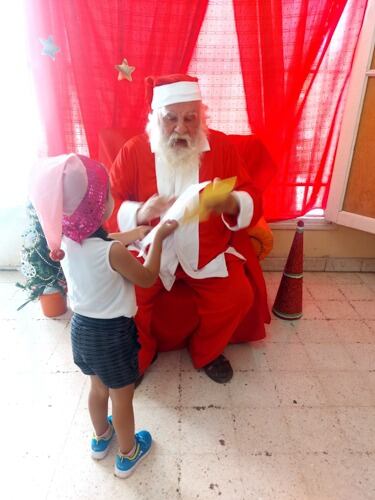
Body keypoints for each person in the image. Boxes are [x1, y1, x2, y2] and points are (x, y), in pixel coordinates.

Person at [108, 74, 270, 384]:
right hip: (149, 252)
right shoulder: (134, 151)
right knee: (127, 295)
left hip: (206, 250)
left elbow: (252, 194)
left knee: (237, 295)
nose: (181, 128)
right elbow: (109, 203)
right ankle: (142, 352)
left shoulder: (220, 147)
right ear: (157, 118)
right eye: (171, 119)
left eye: (190, 118)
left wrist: (232, 203)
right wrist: (140, 212)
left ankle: (207, 352)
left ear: (201, 117)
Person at [28, 153, 177, 478]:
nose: (111, 199)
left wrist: (135, 233)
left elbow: (105, 241)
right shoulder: (112, 253)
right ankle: (128, 452)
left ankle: (101, 438)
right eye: (107, 195)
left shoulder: (66, 241)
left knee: (97, 390)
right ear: (97, 206)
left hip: (81, 331)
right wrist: (159, 240)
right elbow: (147, 276)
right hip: (113, 335)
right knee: (122, 397)